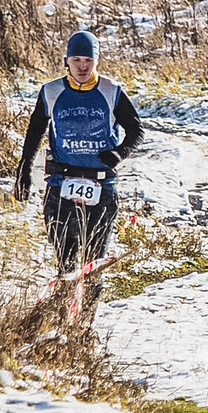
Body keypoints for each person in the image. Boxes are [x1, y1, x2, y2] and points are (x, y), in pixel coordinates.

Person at [15, 30, 144, 284]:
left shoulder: (111, 91)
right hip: (61, 185)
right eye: (77, 61)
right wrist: (24, 170)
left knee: (93, 265)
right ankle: (66, 315)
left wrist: (118, 154)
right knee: (66, 263)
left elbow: (136, 130)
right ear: (67, 61)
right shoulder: (51, 92)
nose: (83, 67)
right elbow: (34, 132)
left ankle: (86, 321)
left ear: (97, 61)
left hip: (102, 186)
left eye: (89, 61)